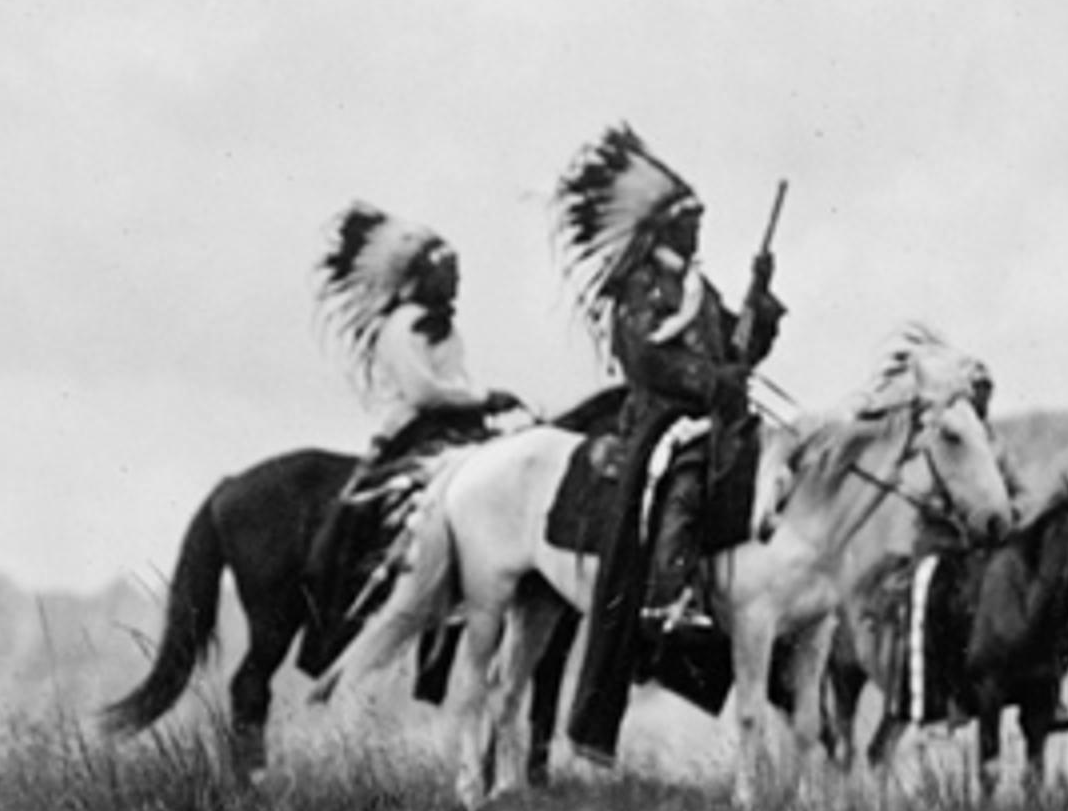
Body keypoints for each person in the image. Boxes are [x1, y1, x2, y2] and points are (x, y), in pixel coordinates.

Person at [551, 125, 783, 764]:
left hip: (709, 411)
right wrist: (713, 381)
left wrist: (759, 304)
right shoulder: (640, 289)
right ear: (663, 230)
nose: (698, 233)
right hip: (659, 416)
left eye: (701, 223)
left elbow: (737, 346)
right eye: (689, 223)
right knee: (683, 472)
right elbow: (647, 360)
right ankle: (667, 594)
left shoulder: (695, 287)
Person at [306, 205, 521, 651]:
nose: (457, 282)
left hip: (453, 423)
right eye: (449, 272)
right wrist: (483, 398)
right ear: (423, 277)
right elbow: (423, 392)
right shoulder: (403, 327)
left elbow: (451, 384)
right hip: (417, 428)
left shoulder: (442, 328)